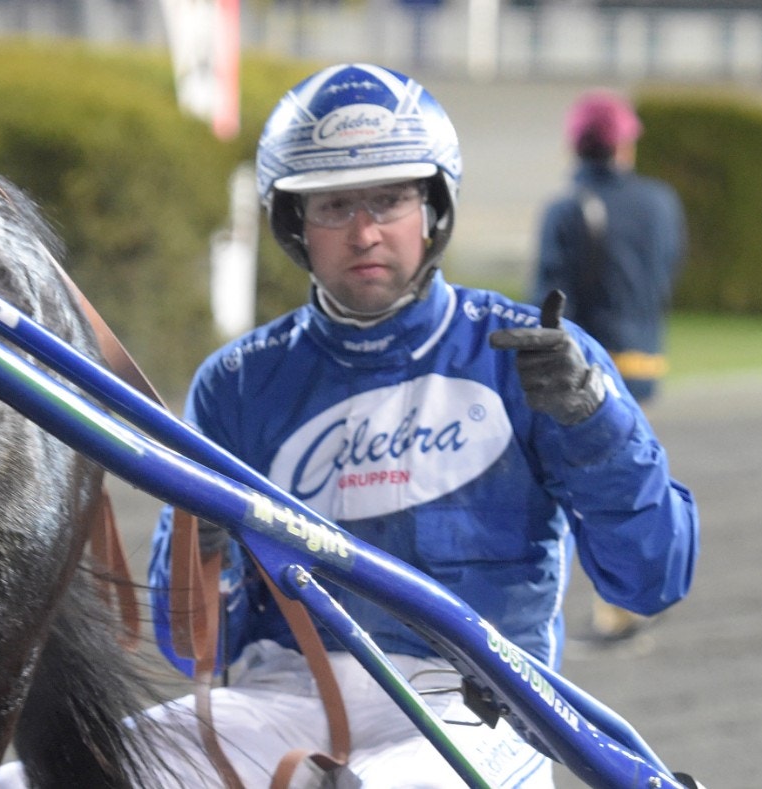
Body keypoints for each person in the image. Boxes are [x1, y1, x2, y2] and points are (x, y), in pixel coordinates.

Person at [138, 63, 699, 788]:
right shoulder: (236, 384)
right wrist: (200, 553)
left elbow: (653, 578)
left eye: (390, 198)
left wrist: (597, 427)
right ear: (293, 222)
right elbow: (191, 649)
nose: (365, 231)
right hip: (281, 694)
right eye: (335, 205)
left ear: (433, 207)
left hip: (487, 701)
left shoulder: (533, 359)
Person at [533, 89, 688, 641]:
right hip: (645, 356)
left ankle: (615, 608)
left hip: (586, 369)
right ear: (624, 144)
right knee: (633, 471)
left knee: (580, 489)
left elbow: (547, 297)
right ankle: (642, 585)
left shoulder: (565, 208)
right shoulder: (661, 201)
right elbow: (670, 266)